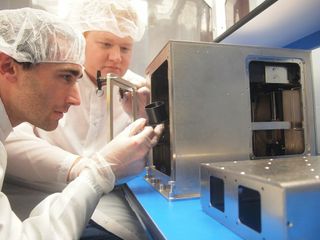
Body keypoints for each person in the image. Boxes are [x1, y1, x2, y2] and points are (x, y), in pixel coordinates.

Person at [0, 7, 163, 240]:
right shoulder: (28, 94)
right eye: (106, 44)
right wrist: (88, 169)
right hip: (39, 206)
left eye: (125, 48)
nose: (116, 57)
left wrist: (143, 118)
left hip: (101, 209)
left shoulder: (140, 90)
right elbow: (12, 139)